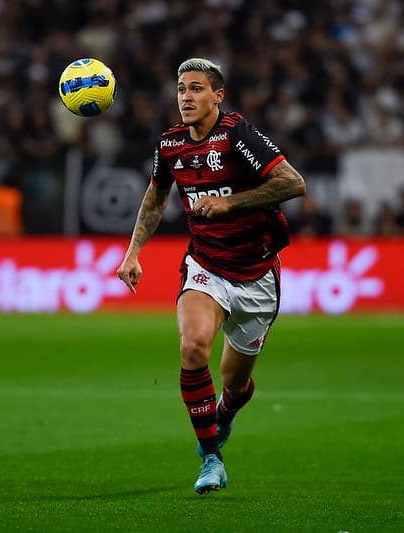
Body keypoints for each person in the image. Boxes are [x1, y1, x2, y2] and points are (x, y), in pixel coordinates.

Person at [116, 58, 306, 494]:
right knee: (192, 346)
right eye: (181, 89)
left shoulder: (237, 135)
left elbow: (293, 183)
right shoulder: (170, 145)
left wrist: (232, 202)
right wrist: (133, 252)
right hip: (206, 266)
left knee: (236, 385)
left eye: (197, 88)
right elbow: (156, 194)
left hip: (257, 275)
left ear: (217, 96)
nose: (186, 96)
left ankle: (226, 411)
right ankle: (210, 459)